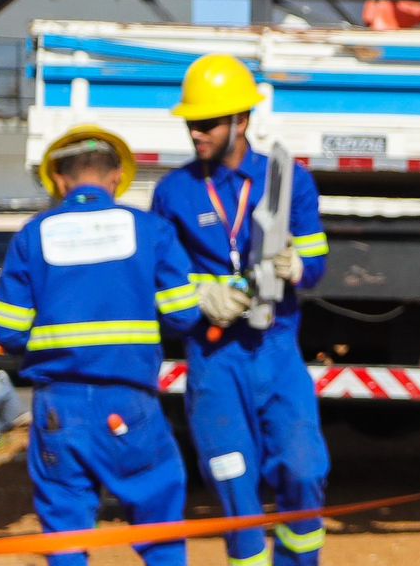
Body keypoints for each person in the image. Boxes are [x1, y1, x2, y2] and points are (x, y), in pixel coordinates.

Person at [150, 54, 331, 566]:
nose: (196, 133)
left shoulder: (287, 179)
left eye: (207, 122)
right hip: (215, 358)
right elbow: (166, 285)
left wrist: (296, 265)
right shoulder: (173, 193)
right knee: (232, 480)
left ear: (241, 121)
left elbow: (317, 261)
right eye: (191, 122)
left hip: (276, 349)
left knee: (304, 472)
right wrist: (203, 298)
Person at [0, 125, 199, 566]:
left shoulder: (33, 235)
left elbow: (8, 331)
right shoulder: (151, 230)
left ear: (59, 179)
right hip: (130, 403)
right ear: (117, 176)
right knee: (159, 522)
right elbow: (184, 315)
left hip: (58, 407)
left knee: (66, 531)